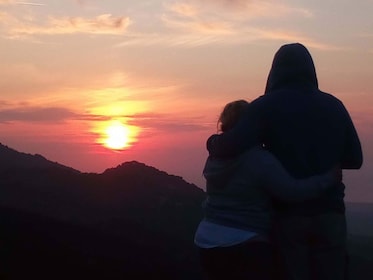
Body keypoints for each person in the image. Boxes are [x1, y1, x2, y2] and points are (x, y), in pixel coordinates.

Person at [206, 43, 363, 280]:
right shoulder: (335, 105)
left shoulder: (264, 106)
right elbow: (355, 158)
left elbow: (230, 146)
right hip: (331, 214)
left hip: (289, 218)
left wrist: (211, 142)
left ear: (274, 71)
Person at [194, 99, 342, 280]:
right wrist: (328, 179)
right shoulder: (258, 159)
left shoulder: (214, 157)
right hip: (246, 243)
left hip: (207, 242)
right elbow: (292, 191)